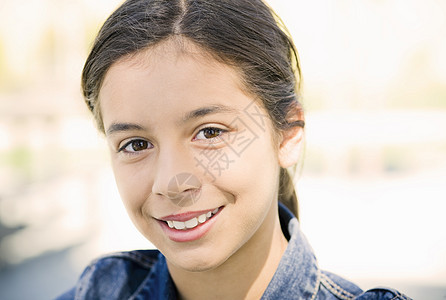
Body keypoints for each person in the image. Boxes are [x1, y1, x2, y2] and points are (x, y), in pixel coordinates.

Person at [57, 0, 412, 299]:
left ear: (287, 133)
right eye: (136, 144)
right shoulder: (97, 291)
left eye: (209, 132)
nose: (171, 182)